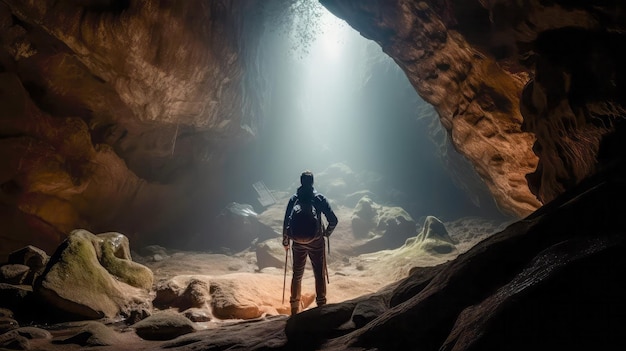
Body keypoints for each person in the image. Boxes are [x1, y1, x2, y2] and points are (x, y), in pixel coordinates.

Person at [283, 170, 338, 315]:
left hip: (297, 242)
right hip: (316, 241)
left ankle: (294, 308)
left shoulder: (294, 199)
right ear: (313, 182)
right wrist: (326, 233)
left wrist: (285, 240)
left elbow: (286, 221)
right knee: (319, 273)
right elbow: (333, 220)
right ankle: (321, 306)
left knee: (297, 274)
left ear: (301, 182)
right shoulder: (319, 198)